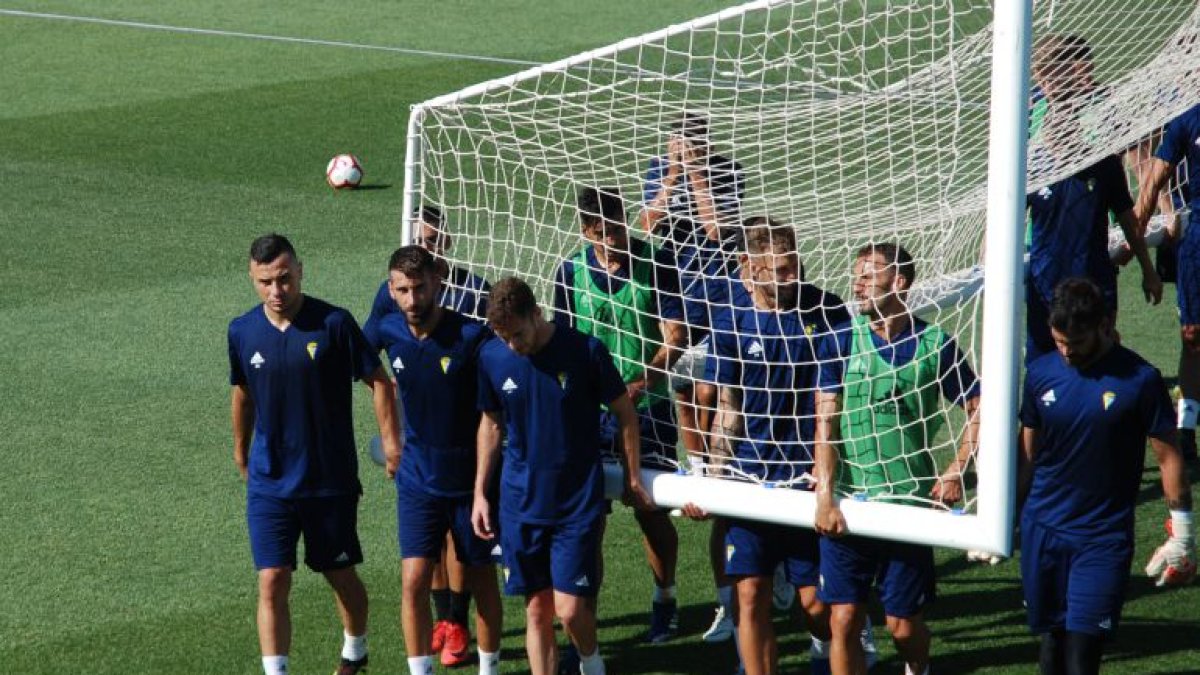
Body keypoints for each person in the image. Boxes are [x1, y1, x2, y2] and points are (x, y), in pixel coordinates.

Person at [227, 234, 402, 675]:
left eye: (284, 279)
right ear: (252, 279)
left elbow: (380, 382)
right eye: (265, 282)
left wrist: (392, 442)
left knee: (339, 575)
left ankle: (355, 648)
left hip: (328, 480)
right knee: (272, 579)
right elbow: (243, 393)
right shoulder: (242, 331)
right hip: (270, 481)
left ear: (300, 271)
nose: (276, 290)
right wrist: (240, 450)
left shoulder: (334, 323)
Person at [686, 217, 852, 675]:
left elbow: (832, 404)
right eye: (779, 270)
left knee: (815, 604)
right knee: (750, 593)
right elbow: (728, 407)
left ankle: (825, 650)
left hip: (805, 476)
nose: (791, 276)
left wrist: (826, 478)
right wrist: (714, 481)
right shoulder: (731, 319)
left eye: (793, 264)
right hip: (750, 476)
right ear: (749, 266)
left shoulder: (825, 310)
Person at [813, 243, 981, 675]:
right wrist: (825, 497)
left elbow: (980, 407)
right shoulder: (841, 339)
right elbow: (824, 422)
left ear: (899, 282)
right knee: (843, 619)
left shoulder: (935, 344)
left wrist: (956, 469)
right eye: (857, 276)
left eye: (869, 276)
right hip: (849, 502)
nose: (857, 285)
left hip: (908, 502)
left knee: (902, 626)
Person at [472, 277, 655, 675]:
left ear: (537, 314)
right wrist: (480, 493)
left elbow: (624, 412)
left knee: (569, 610)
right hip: (520, 503)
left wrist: (632, 475)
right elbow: (491, 423)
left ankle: (591, 662)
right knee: (537, 610)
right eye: (504, 337)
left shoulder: (584, 350)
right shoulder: (491, 357)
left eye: (518, 335)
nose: (513, 346)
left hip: (575, 503)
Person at [1017, 278, 1195, 675]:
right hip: (1043, 530)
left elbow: (1168, 458)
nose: (1067, 352)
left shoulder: (1140, 379)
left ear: (1104, 324)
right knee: (1052, 645)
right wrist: (1003, 515)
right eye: (1058, 342)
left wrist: (1182, 532)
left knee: (1082, 656)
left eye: (1076, 343)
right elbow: (1027, 453)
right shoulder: (1041, 372)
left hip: (1101, 538)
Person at [553, 186, 688, 643]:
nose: (612, 238)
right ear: (586, 230)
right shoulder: (570, 271)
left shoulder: (656, 263)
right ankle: (584, 622)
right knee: (589, 520)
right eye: (601, 231)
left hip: (647, 408)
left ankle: (665, 598)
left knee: (649, 508)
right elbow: (563, 341)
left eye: (616, 227)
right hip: (590, 415)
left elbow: (676, 334)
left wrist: (644, 381)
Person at [362, 204, 492, 665]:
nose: (426, 247)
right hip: (420, 440)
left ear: (446, 247)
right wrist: (392, 426)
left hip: (465, 441)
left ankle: (457, 618)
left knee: (462, 545)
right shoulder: (392, 298)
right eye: (419, 240)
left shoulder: (476, 293)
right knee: (426, 546)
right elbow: (368, 354)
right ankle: (445, 619)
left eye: (433, 240)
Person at [640, 111, 748, 643]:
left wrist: (698, 175)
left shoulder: (729, 172)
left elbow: (716, 228)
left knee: (716, 388)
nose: (683, 150)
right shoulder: (657, 171)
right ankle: (699, 462)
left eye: (691, 143)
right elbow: (647, 225)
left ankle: (717, 465)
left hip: (720, 295)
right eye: (677, 144)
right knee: (683, 385)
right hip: (676, 295)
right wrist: (670, 178)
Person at [1026, 34, 1162, 364]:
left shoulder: (1103, 159)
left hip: (1094, 271)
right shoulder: (1032, 160)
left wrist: (1147, 267)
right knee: (1048, 355)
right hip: (1044, 272)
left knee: (1100, 349)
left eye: (1065, 129)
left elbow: (1130, 213)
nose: (1058, 135)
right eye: (1041, 74)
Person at [1134, 102, 1200, 461]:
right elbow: (1155, 177)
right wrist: (1136, 234)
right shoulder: (1188, 119)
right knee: (1193, 336)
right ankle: (1187, 430)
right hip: (1197, 243)